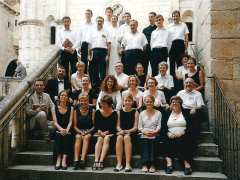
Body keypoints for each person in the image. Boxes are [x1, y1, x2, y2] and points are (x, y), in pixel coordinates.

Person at [163, 96, 193, 175]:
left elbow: (191, 126)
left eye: (177, 101)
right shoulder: (167, 113)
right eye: (173, 102)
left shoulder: (186, 112)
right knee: (165, 140)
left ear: (180, 103)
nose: (174, 103)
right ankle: (169, 164)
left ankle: (187, 164)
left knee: (183, 141)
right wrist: (168, 133)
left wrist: (182, 133)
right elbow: (163, 126)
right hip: (170, 135)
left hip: (183, 134)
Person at [114, 94, 139, 172]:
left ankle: (128, 164)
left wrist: (127, 131)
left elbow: (135, 127)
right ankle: (119, 163)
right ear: (123, 102)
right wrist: (121, 131)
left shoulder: (135, 112)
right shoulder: (119, 112)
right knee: (119, 137)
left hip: (131, 133)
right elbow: (117, 126)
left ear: (132, 102)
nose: (127, 102)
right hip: (121, 132)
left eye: (129, 101)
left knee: (126, 137)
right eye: (125, 100)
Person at [92, 95, 118, 170]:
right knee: (100, 139)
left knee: (106, 138)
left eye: (104, 104)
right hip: (100, 133)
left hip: (110, 134)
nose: (102, 105)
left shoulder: (114, 113)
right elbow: (96, 126)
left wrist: (106, 133)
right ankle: (96, 160)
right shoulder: (97, 112)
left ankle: (101, 161)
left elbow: (114, 128)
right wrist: (99, 131)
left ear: (109, 104)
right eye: (102, 103)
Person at [138, 95, 162, 173]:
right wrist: (144, 132)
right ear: (144, 103)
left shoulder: (158, 113)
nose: (149, 103)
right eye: (147, 101)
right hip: (144, 133)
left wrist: (155, 132)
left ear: (153, 102)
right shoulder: (141, 113)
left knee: (153, 142)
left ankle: (152, 164)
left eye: (150, 101)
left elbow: (159, 125)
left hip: (154, 133)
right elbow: (140, 127)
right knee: (144, 140)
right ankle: (144, 164)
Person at [177, 78, 205, 142]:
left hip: (193, 111)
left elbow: (200, 105)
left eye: (190, 83)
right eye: (186, 83)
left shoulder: (198, 93)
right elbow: (176, 102)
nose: (188, 84)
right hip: (182, 110)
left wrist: (194, 108)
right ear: (184, 84)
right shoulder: (180, 93)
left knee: (195, 116)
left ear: (193, 84)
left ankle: (192, 138)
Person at [52, 90, 73, 170]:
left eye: (65, 95)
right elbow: (55, 122)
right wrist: (61, 129)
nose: (63, 97)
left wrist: (66, 130)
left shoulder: (71, 108)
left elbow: (70, 121)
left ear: (67, 98)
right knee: (58, 135)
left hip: (68, 129)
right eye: (61, 95)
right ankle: (58, 158)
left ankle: (64, 159)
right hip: (58, 128)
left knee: (67, 136)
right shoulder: (54, 108)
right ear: (59, 97)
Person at [88, 16, 111, 90]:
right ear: (96, 22)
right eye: (98, 21)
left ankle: (102, 87)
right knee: (94, 70)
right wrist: (89, 55)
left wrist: (108, 55)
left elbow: (109, 44)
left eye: (101, 21)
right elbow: (89, 44)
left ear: (103, 22)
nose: (99, 22)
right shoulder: (92, 31)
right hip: (94, 51)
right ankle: (95, 88)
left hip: (103, 52)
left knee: (102, 71)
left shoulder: (106, 31)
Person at [73, 94, 95, 170]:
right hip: (79, 130)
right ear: (79, 101)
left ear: (88, 101)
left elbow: (94, 126)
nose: (83, 102)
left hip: (89, 130)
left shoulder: (92, 110)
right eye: (81, 100)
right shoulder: (76, 111)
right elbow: (74, 126)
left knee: (87, 137)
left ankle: (83, 159)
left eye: (85, 100)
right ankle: (76, 160)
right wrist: (80, 132)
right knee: (78, 137)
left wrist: (87, 132)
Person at [168, 10, 189, 77]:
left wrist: (186, 48)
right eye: (174, 16)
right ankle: (172, 83)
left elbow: (186, 37)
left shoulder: (184, 25)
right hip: (172, 45)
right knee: (172, 64)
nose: (175, 17)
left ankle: (180, 81)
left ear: (179, 17)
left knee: (180, 64)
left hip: (180, 44)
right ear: (172, 17)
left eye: (176, 16)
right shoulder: (169, 26)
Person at [80, 9, 94, 73]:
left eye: (89, 14)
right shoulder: (82, 25)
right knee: (83, 63)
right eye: (86, 14)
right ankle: (84, 77)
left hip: (92, 45)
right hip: (84, 45)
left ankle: (92, 80)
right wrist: (79, 47)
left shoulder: (94, 26)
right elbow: (79, 36)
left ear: (91, 15)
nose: (87, 15)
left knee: (92, 63)